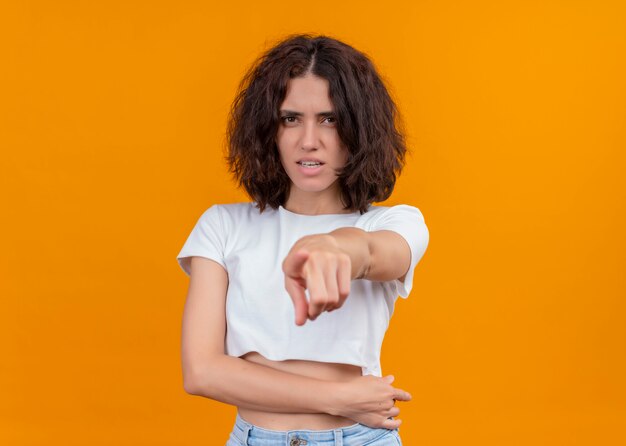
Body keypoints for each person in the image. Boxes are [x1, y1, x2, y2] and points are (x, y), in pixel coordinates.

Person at [176, 34, 429, 446]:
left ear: (358, 130)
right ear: (267, 130)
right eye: (290, 118)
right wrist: (339, 397)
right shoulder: (222, 226)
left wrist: (333, 246)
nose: (308, 139)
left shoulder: (394, 222)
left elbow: (374, 253)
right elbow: (202, 372)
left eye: (329, 119)